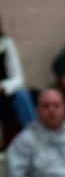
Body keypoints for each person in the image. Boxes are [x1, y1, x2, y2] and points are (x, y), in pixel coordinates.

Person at [0, 15, 36, 148]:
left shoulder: (6, 43)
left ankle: (35, 138)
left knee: (22, 94)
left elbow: (18, 78)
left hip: (3, 94)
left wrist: (3, 86)